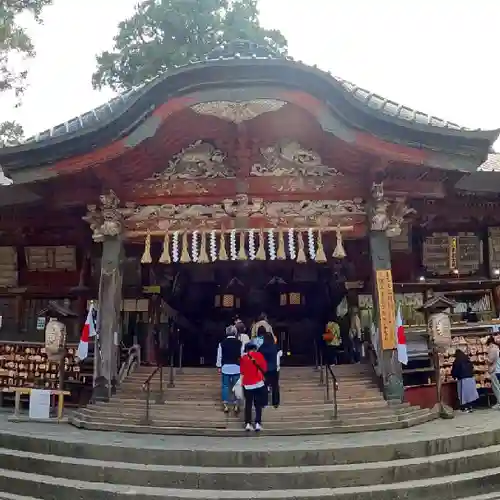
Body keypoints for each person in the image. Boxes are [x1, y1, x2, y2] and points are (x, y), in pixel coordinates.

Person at [240, 341, 268, 432]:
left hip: (247, 384)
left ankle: (248, 423)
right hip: (258, 383)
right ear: (254, 348)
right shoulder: (259, 355)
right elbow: (264, 368)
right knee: (258, 404)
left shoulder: (243, 358)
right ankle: (257, 423)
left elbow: (242, 371)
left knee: (248, 404)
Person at [216, 325, 243, 414]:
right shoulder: (240, 343)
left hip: (226, 367)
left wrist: (219, 366)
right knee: (237, 386)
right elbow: (242, 356)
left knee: (225, 386)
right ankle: (236, 404)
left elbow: (219, 356)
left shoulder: (222, 343)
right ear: (235, 333)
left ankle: (225, 405)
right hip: (237, 367)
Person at [258, 328, 280, 408]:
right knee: (275, 386)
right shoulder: (275, 347)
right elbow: (280, 354)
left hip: (264, 369)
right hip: (274, 368)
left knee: (263, 386)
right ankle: (275, 402)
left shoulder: (261, 348)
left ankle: (264, 402)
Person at [487, 336, 500, 409]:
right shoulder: (497, 348)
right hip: (497, 370)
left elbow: (490, 360)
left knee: (496, 388)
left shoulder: (493, 349)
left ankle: (499, 403)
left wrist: (486, 359)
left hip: (494, 370)